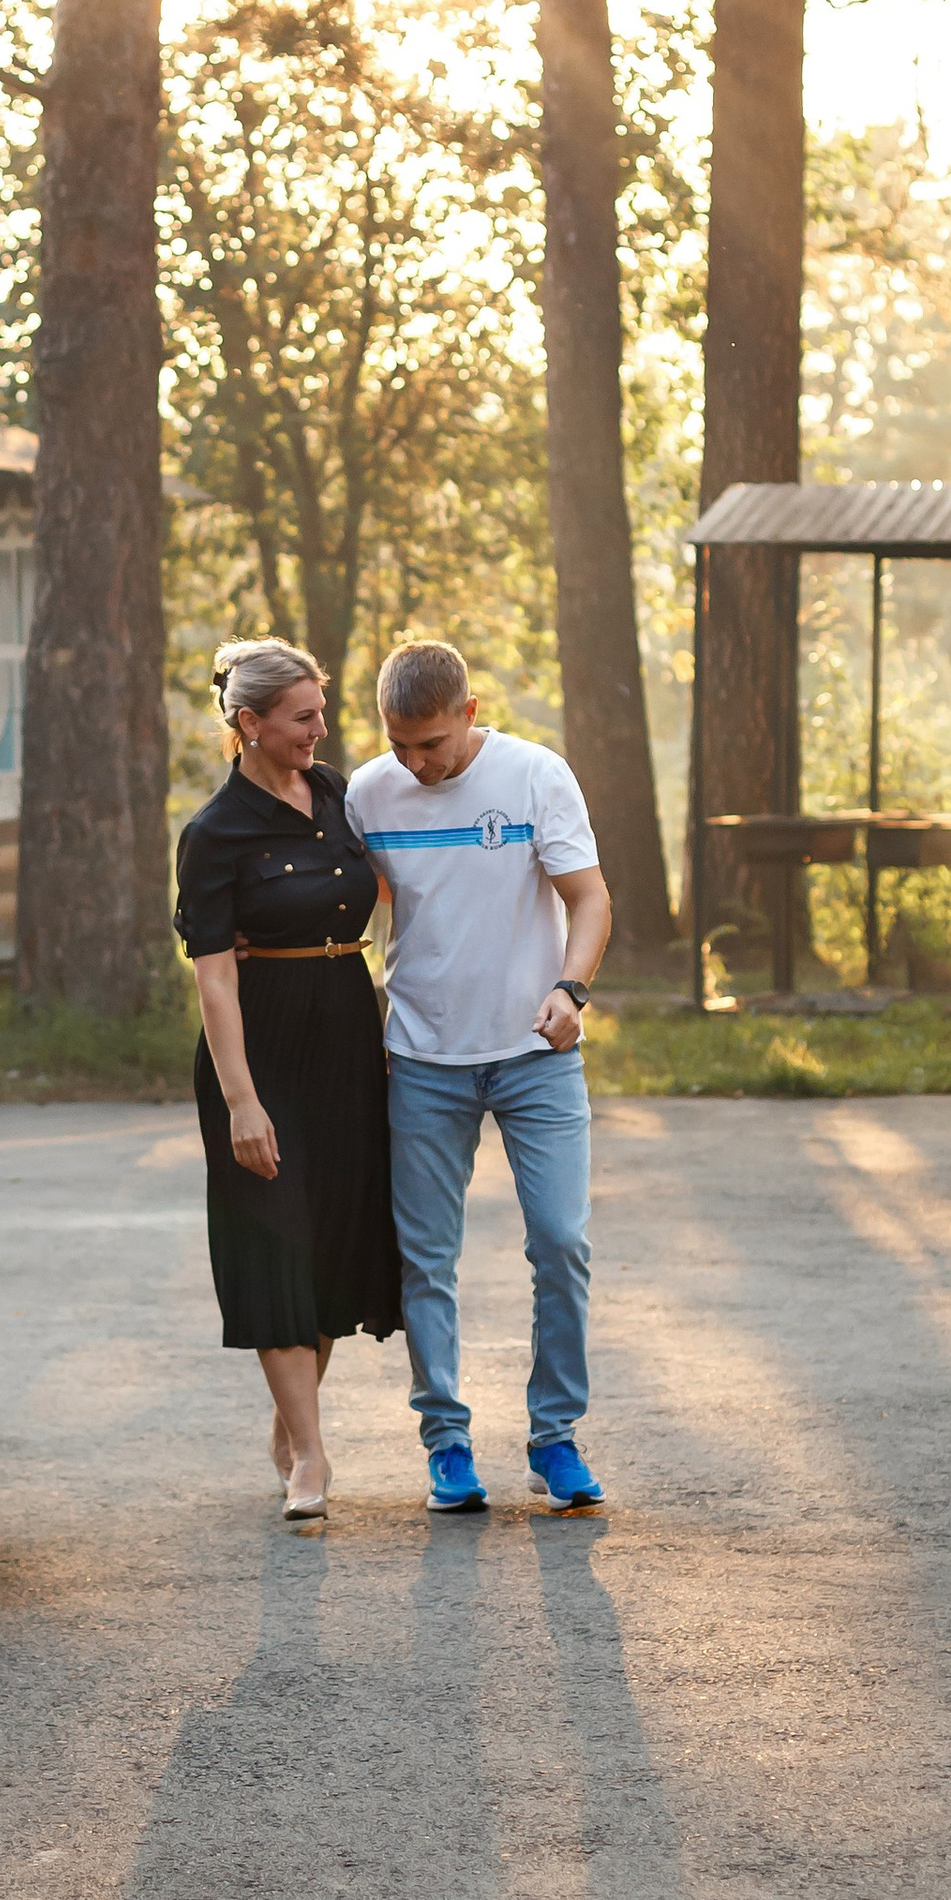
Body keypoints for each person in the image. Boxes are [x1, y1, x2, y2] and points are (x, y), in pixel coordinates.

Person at [344, 640, 614, 1516]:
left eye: (429, 742)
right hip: (421, 1058)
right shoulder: (366, 792)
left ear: (468, 711)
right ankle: (447, 1443)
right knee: (425, 1259)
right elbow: (359, 912)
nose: (414, 763)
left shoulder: (537, 776)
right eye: (398, 743)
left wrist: (571, 990)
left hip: (535, 1055)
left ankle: (555, 1438)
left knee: (562, 1243)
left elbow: (590, 897)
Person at [174, 637, 402, 1522]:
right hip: (260, 1049)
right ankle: (311, 1455)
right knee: (272, 1241)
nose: (320, 730)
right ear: (250, 723)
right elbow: (214, 977)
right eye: (302, 717)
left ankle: (290, 1419)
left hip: (348, 1034)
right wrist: (240, 1101)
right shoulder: (213, 834)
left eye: (319, 712)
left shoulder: (342, 796)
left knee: (334, 1240)